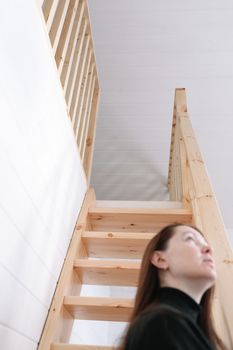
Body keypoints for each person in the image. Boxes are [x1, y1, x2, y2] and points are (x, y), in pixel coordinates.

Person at [120, 223, 226, 350]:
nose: (209, 249)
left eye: (205, 243)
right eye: (190, 239)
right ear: (160, 260)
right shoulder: (161, 322)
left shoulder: (171, 323)